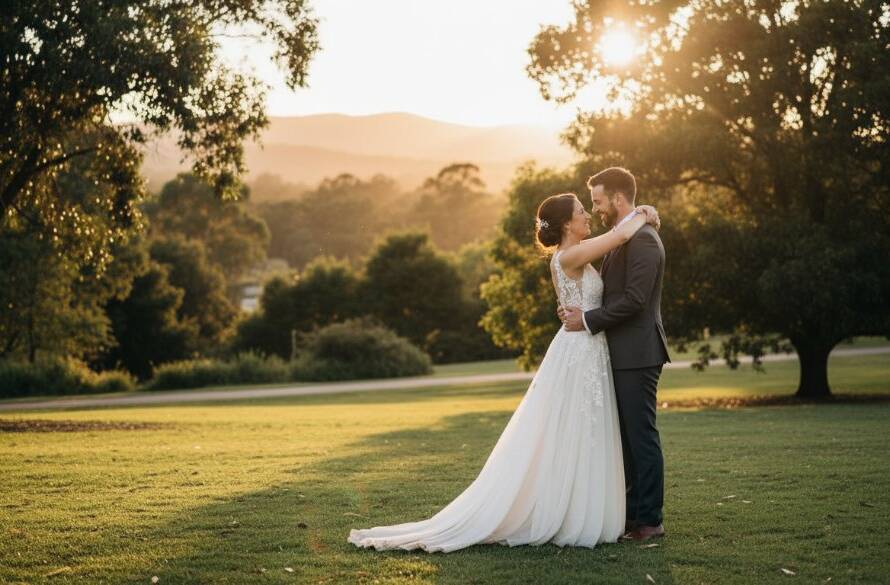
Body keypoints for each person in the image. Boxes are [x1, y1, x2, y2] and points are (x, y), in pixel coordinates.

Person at [346, 190, 660, 552]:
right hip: (579, 351)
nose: (588, 215)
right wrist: (644, 211)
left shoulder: (572, 254)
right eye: (580, 211)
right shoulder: (571, 254)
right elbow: (620, 235)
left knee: (582, 430)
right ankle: (572, 512)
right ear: (566, 225)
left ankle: (585, 507)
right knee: (575, 428)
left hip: (586, 346)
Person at [560, 167, 671, 541]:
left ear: (618, 199)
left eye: (598, 201)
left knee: (640, 436)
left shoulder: (642, 241)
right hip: (620, 352)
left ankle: (649, 520)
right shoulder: (623, 237)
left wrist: (588, 319)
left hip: (638, 352)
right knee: (626, 438)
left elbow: (635, 301)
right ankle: (632, 515)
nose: (596, 209)